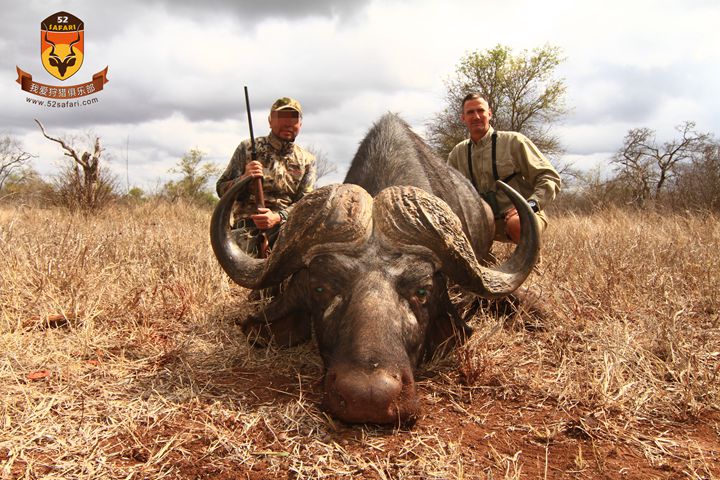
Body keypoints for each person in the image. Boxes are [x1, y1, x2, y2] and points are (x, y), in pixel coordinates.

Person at [447, 93, 561, 244]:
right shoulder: (457, 153)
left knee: (517, 224)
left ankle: (532, 264)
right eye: (470, 112)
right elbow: (447, 192)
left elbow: (549, 178)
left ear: (490, 113)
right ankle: (482, 263)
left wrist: (530, 206)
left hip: (519, 217)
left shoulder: (514, 141)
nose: (476, 116)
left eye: (480, 110)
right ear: (463, 118)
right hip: (483, 223)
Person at [217, 97, 316, 257]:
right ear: (270, 121)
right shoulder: (247, 149)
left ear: (300, 124)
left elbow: (304, 204)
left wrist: (277, 217)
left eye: (293, 119)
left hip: (286, 236)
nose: (287, 124)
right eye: (281, 118)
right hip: (245, 235)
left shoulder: (307, 160)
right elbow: (221, 189)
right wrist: (243, 178)